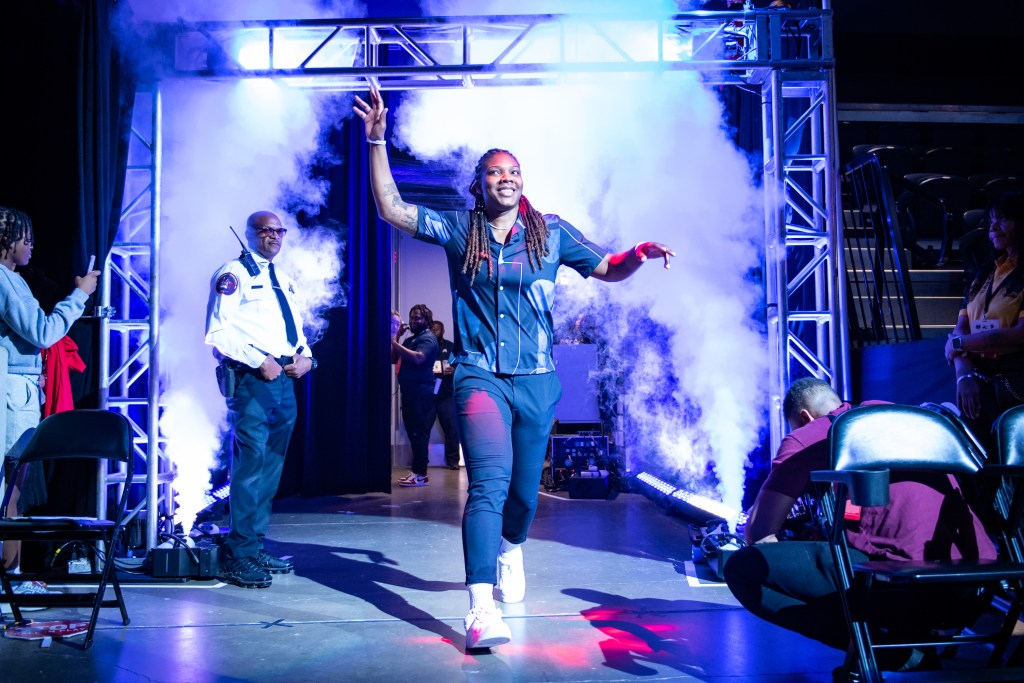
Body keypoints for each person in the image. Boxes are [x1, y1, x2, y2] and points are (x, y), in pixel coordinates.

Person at [354, 86, 676, 650]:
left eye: (515, 171)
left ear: (522, 181)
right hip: (477, 375)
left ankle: (511, 547)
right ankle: (480, 608)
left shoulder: (551, 233)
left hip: (537, 381)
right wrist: (378, 140)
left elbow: (607, 267)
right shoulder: (459, 230)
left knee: (523, 495)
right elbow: (391, 209)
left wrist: (638, 255)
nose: (507, 177)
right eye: (495, 172)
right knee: (487, 485)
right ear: (479, 184)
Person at [725, 378, 998, 673]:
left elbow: (759, 533)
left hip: (899, 587)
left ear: (804, 417)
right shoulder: (901, 415)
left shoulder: (811, 435)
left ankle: (892, 651)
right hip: (975, 586)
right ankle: (907, 638)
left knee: (743, 569)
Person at [205, 210, 316, 589]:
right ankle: (238, 554)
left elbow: (295, 332)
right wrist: (258, 360)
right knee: (250, 465)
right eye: (265, 230)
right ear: (250, 234)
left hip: (285, 379)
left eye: (279, 231)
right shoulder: (232, 274)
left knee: (272, 466)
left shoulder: (283, 279)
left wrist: (308, 357)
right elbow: (218, 332)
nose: (274, 236)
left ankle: (254, 545)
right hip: (253, 379)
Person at [0, 205, 99, 611]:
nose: (31, 246)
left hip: (17, 394)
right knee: (9, 491)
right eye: (25, 238)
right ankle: (10, 584)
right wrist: (78, 296)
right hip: (9, 401)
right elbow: (43, 333)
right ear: (7, 241)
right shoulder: (4, 281)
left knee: (13, 491)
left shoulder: (14, 280)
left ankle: (13, 580)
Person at [945, 191, 1024, 452]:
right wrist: (963, 377)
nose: (993, 227)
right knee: (977, 464)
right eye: (990, 221)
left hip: (1014, 384)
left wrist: (959, 343)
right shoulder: (984, 272)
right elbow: (961, 328)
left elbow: (1016, 335)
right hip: (978, 380)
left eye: (1002, 219)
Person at [392, 304, 438, 486]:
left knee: (419, 433)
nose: (413, 321)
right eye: (411, 318)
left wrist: (394, 342)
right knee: (413, 432)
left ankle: (421, 474)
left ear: (427, 320)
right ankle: (417, 471)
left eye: (417, 318)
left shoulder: (427, 338)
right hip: (410, 391)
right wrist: (397, 338)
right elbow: (392, 358)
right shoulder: (412, 339)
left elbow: (419, 358)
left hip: (421, 392)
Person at [431, 320, 460, 470]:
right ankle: (420, 464)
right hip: (428, 393)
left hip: (446, 394)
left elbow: (458, 365)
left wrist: (453, 370)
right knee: (421, 428)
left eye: (437, 329)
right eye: (432, 328)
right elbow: (425, 365)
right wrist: (441, 367)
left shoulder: (450, 346)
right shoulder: (427, 345)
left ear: (442, 331)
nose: (434, 331)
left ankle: (453, 461)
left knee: (451, 429)